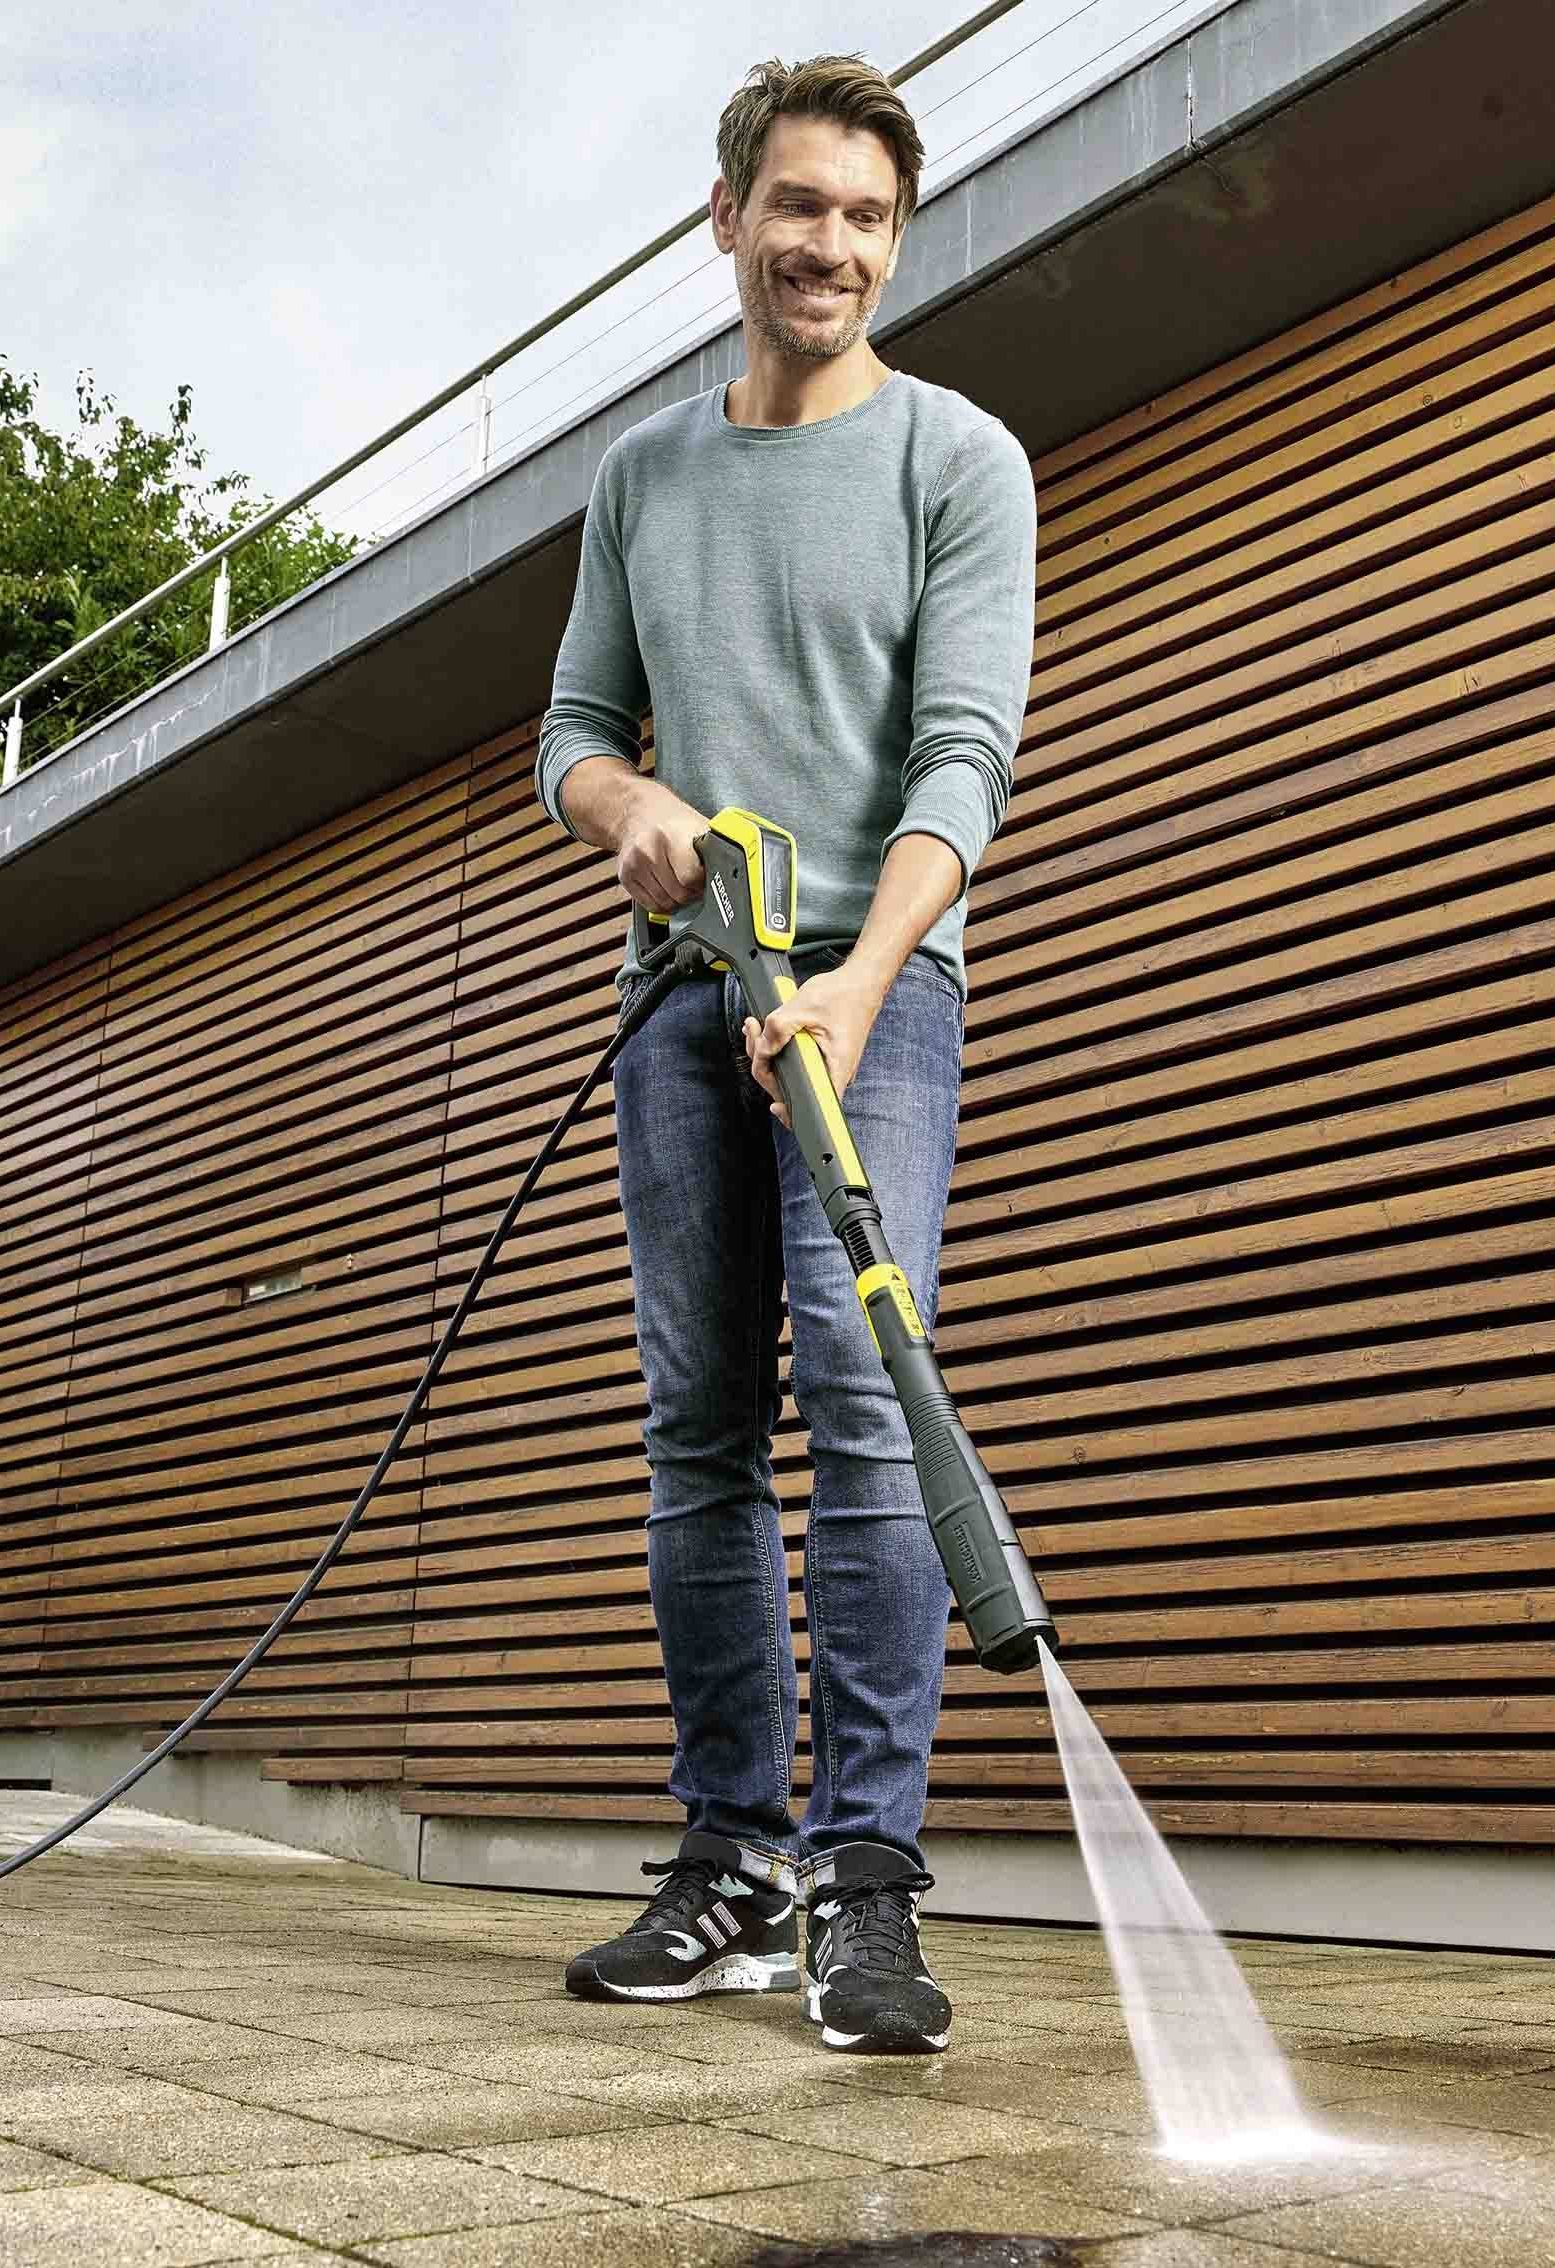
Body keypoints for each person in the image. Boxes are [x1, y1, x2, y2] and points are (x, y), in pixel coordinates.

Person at [533, 51, 1036, 2057]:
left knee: (866, 1379)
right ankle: (736, 1865)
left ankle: (869, 1884)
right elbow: (568, 725)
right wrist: (622, 817)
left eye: (868, 218)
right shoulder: (644, 480)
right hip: (680, 1004)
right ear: (724, 221)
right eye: (802, 205)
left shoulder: (959, 463)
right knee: (696, 1427)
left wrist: (852, 975)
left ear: (890, 245)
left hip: (876, 989)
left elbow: (965, 762)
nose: (832, 244)